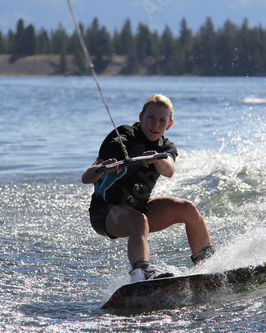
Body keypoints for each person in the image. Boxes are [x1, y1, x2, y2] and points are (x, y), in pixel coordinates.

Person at [82, 94, 214, 282]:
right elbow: (86, 177)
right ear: (141, 117)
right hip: (105, 213)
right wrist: (103, 168)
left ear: (170, 124)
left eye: (162, 120)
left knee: (188, 209)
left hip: (138, 209)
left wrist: (157, 160)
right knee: (139, 220)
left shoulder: (166, 147)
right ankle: (141, 274)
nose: (156, 124)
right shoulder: (123, 136)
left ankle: (207, 264)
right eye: (151, 118)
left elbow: (169, 170)